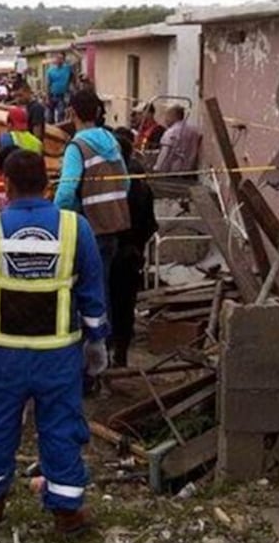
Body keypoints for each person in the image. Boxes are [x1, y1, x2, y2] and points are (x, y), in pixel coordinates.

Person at [0, 149, 109, 538]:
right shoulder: (75, 229)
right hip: (58, 356)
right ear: (48, 185)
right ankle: (66, 514)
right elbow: (91, 292)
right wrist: (97, 341)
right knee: (61, 428)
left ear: (6, 185)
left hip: (4, 357)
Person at [55, 89, 130, 331]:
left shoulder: (77, 147)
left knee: (83, 290)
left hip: (88, 228)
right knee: (102, 285)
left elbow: (66, 192)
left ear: (72, 113)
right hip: (114, 226)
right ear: (98, 112)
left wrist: (54, 218)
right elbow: (126, 183)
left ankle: (89, 343)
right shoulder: (112, 142)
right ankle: (103, 341)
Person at [109, 150, 157, 368]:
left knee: (108, 302)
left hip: (113, 252)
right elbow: (151, 224)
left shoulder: (110, 184)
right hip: (132, 255)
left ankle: (107, 353)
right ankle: (121, 354)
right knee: (126, 306)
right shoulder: (141, 186)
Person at [154, 105, 201, 178]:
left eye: (167, 117)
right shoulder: (194, 131)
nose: (165, 120)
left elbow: (165, 153)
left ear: (173, 116)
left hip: (172, 172)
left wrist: (157, 169)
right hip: (189, 172)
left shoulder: (170, 132)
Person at [45, 53, 73, 124]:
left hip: (63, 95)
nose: (59, 60)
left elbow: (73, 79)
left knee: (61, 113)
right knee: (49, 116)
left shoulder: (67, 68)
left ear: (63, 60)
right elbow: (48, 84)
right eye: (57, 58)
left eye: (61, 58)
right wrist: (47, 97)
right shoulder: (51, 71)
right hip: (52, 95)